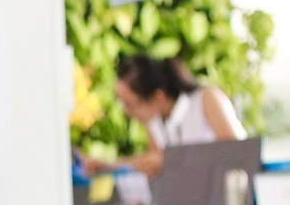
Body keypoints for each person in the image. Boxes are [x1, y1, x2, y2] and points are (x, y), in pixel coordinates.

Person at [84, 53, 247, 178]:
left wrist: (170, 161)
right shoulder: (154, 121)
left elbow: (234, 152)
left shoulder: (206, 99)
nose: (127, 113)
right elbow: (151, 161)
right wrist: (108, 166)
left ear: (157, 97)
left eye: (131, 105)